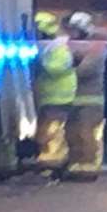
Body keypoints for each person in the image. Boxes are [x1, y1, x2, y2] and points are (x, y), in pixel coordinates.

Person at [65, 12, 107, 181]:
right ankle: (75, 166)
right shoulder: (73, 46)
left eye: (76, 30)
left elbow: (85, 70)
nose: (72, 34)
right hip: (72, 99)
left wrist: (68, 66)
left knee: (87, 135)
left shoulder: (96, 47)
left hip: (90, 100)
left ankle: (88, 169)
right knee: (73, 135)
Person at [34, 10, 76, 175]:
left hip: (59, 96)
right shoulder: (50, 46)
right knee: (47, 129)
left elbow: (59, 67)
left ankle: (53, 163)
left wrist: (40, 64)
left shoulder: (59, 47)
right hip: (49, 96)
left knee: (53, 130)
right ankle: (52, 161)